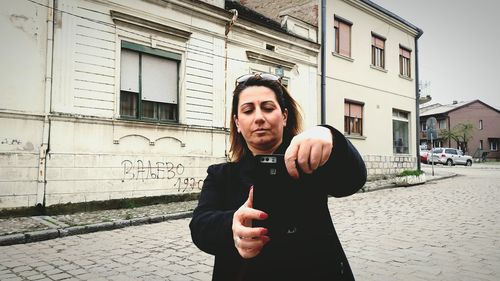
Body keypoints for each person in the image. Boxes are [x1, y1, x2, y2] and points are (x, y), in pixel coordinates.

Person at [189, 73, 367, 280]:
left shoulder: (308, 162)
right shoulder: (221, 175)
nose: (259, 118)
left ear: (284, 116)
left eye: (268, 108)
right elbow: (200, 226)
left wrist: (331, 137)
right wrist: (232, 225)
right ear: (237, 123)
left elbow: (353, 180)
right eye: (248, 110)